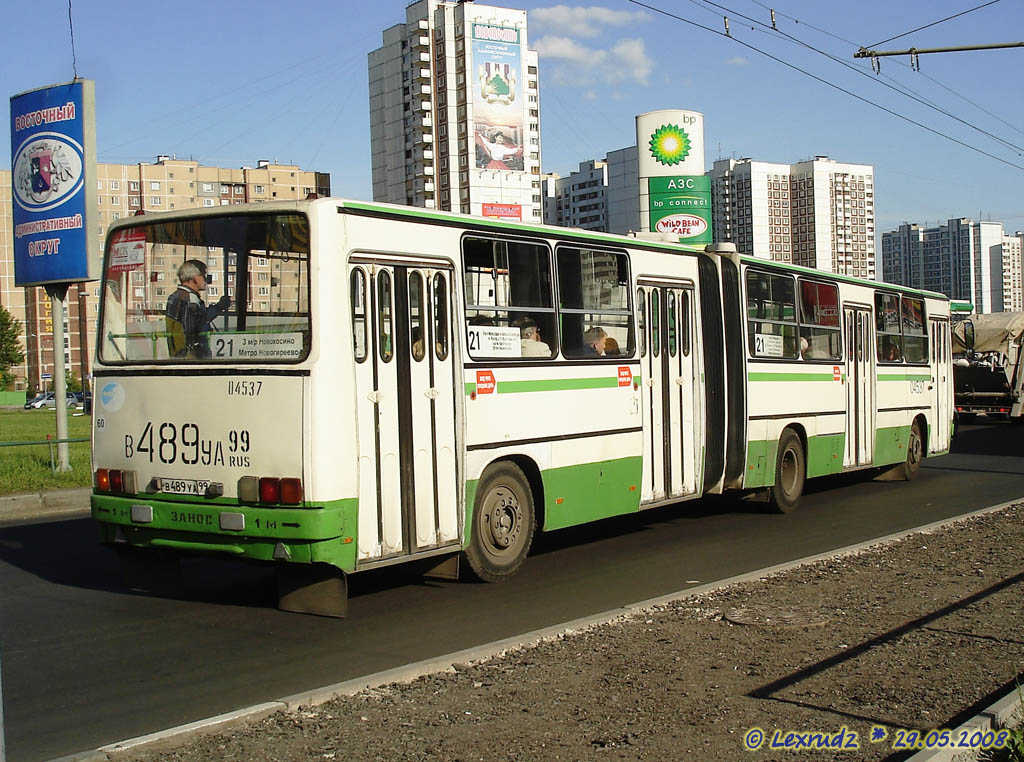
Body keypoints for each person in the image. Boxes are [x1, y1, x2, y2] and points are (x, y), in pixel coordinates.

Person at [165, 259, 230, 359]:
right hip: (191, 358)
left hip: (178, 355)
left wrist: (218, 307)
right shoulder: (190, 300)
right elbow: (192, 332)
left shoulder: (175, 296)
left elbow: (199, 318)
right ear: (194, 278)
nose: (206, 279)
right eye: (203, 275)